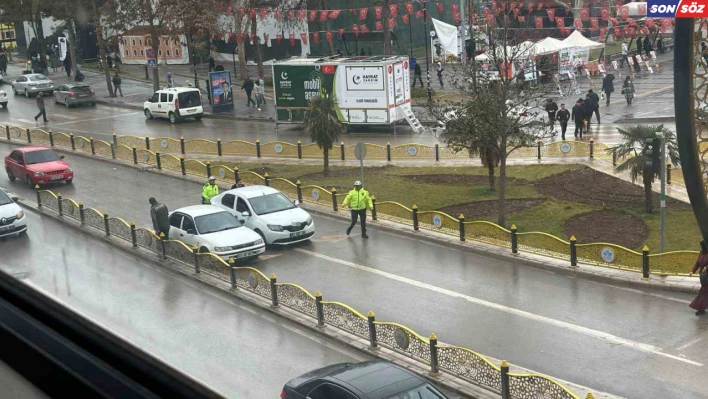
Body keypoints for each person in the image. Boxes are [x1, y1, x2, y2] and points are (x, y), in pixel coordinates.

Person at [689, 241, 708, 315]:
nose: (702, 248)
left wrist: (707, 268)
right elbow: (697, 263)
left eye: (703, 246)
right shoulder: (702, 253)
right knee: (705, 292)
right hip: (703, 276)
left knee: (703, 292)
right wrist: (692, 271)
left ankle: (700, 307)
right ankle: (701, 308)